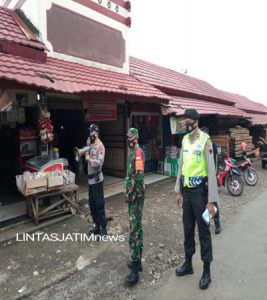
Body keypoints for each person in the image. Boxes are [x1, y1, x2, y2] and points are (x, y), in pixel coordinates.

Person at [175, 109, 219, 290]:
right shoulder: (184, 140)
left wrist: (211, 201)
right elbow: (181, 166)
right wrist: (178, 190)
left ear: (196, 121)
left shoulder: (205, 141)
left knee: (204, 232)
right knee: (187, 230)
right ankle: (188, 264)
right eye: (185, 119)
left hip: (201, 195)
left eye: (188, 120)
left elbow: (211, 171)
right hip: (187, 194)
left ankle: (207, 271)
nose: (186, 122)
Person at [124, 128, 145, 287]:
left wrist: (131, 194)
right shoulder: (132, 152)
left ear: (136, 138)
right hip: (133, 196)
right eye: (128, 137)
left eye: (131, 137)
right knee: (134, 227)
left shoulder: (137, 152)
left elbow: (138, 176)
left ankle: (136, 267)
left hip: (136, 196)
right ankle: (135, 260)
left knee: (135, 229)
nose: (128, 140)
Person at [85, 124, 107, 237]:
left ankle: (104, 229)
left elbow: (99, 162)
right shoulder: (91, 145)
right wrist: (88, 148)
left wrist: (89, 159)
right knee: (92, 205)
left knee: (99, 204)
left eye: (91, 132)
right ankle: (97, 226)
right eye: (89, 132)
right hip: (90, 181)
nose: (90, 134)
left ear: (96, 133)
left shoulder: (100, 146)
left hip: (97, 180)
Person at [200, 127, 222, 235]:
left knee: (213, 201)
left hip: (211, 179)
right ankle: (206, 223)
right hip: (202, 180)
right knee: (204, 202)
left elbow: (217, 162)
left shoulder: (212, 145)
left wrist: (214, 177)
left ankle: (217, 224)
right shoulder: (200, 146)